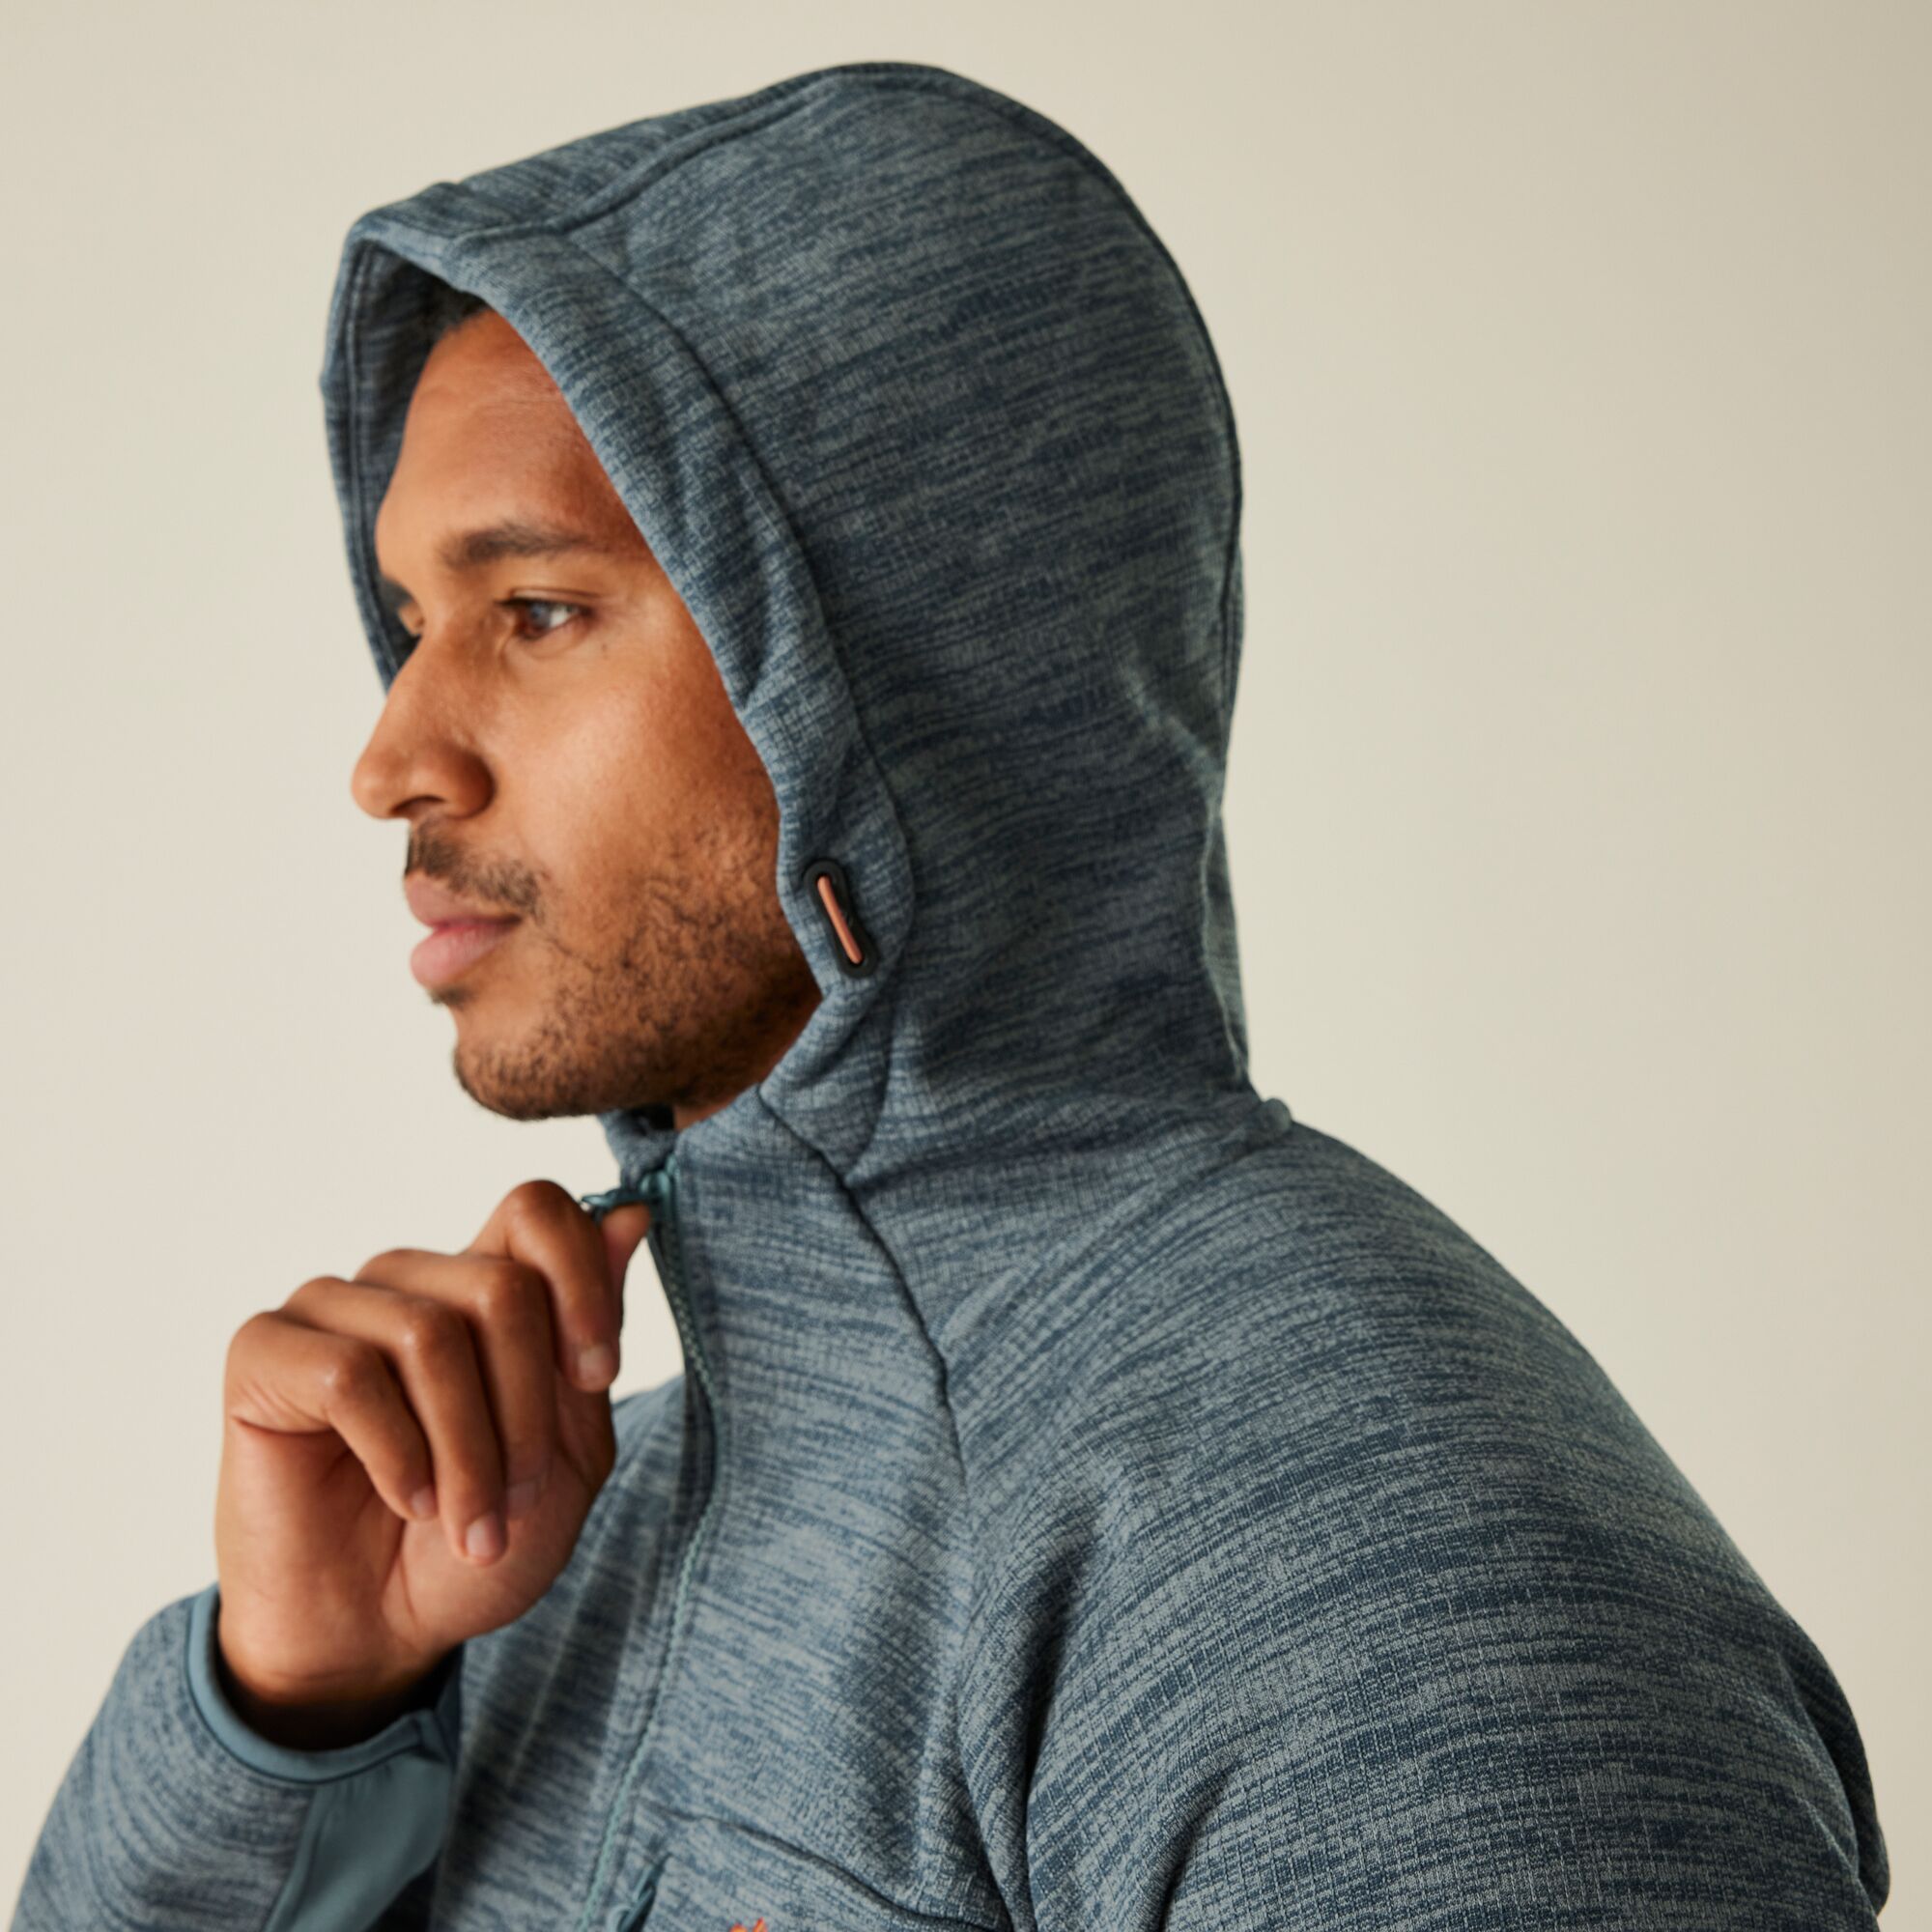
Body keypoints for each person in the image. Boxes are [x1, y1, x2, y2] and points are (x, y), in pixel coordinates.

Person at [14, 59, 1888, 1932]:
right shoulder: (537, 1552)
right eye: (416, 624)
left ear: (878, 655)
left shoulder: (1370, 1579)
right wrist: (295, 1715)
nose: (393, 759)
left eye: (540, 612)